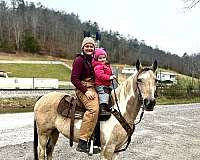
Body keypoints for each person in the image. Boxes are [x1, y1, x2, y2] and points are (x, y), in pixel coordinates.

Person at [71, 37, 99, 153]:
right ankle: (83, 141)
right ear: (83, 48)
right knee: (93, 109)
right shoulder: (79, 60)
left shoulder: (93, 60)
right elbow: (73, 78)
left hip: (93, 86)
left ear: (94, 48)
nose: (89, 48)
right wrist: (86, 91)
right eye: (87, 46)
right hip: (83, 88)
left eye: (91, 46)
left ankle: (97, 139)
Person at [92, 48, 116, 116]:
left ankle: (108, 106)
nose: (102, 59)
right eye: (100, 58)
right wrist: (109, 77)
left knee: (110, 93)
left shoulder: (105, 65)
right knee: (103, 94)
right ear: (97, 59)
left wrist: (111, 75)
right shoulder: (98, 66)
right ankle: (102, 109)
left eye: (104, 57)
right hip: (100, 85)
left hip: (106, 84)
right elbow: (100, 76)